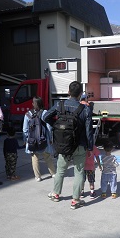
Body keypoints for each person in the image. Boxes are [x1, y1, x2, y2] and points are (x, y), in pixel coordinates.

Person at [43, 81, 94, 210]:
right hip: (80, 145)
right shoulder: (85, 109)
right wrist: (90, 147)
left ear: (68, 92)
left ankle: (55, 194)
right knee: (79, 172)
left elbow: (46, 117)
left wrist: (56, 125)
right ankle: (75, 200)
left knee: (61, 170)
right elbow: (89, 131)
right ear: (81, 94)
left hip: (63, 144)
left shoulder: (59, 105)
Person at [23, 96, 56, 182]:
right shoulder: (45, 112)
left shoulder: (28, 114)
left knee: (35, 158)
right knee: (48, 157)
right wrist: (50, 138)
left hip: (33, 140)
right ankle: (53, 173)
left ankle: (38, 176)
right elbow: (49, 127)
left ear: (33, 104)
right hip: (43, 139)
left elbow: (25, 129)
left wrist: (27, 139)